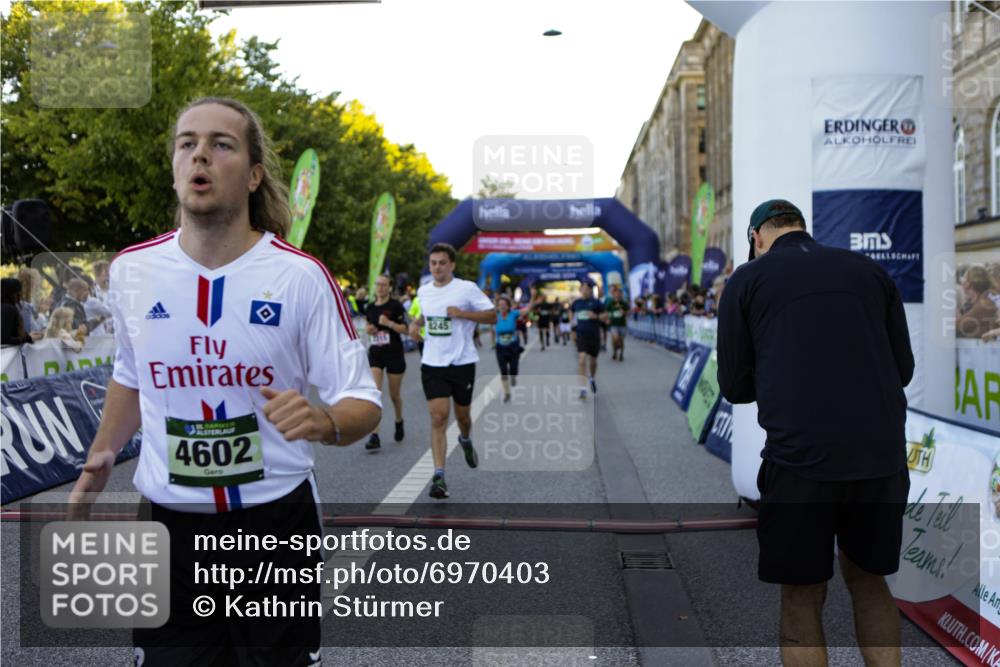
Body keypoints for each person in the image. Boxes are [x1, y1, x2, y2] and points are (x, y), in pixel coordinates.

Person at [67, 97, 381, 666]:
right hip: (168, 526)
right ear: (174, 165)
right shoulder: (132, 271)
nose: (199, 155)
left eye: (221, 143)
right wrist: (102, 454)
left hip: (274, 523)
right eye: (187, 143)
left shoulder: (302, 277)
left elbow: (363, 400)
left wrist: (327, 420)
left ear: (254, 175)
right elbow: (131, 375)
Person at [717, 199, 913, 666]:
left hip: (800, 460)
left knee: (802, 594)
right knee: (869, 581)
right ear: (801, 228)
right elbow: (902, 369)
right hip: (879, 458)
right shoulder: (867, 270)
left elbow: (735, 387)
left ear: (756, 237)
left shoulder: (747, 279)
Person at [409, 242, 496, 499]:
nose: (437, 267)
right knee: (438, 417)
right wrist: (415, 325)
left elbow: (492, 316)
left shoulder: (466, 289)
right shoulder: (423, 292)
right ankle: (439, 476)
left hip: (462, 362)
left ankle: (466, 440)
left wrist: (463, 313)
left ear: (452, 265)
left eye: (442, 263)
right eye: (433, 263)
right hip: (433, 363)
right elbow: (423, 316)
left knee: (463, 417)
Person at [364, 273, 408, 450]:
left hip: (394, 353)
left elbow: (405, 329)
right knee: (375, 392)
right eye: (378, 284)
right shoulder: (370, 307)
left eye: (384, 285)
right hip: (376, 353)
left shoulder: (395, 306)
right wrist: (368, 329)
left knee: (394, 395)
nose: (380, 288)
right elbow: (367, 325)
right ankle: (374, 434)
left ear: (389, 287)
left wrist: (389, 324)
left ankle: (399, 420)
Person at [571, 280, 607, 399]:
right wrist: (573, 330)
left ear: (590, 290)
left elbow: (606, 316)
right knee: (581, 360)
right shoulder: (576, 303)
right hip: (581, 334)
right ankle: (583, 388)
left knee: (593, 361)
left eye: (587, 289)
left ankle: (592, 378)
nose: (585, 291)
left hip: (594, 335)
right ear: (580, 290)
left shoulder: (596, 303)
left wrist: (595, 316)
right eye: (583, 289)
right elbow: (572, 316)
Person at [956, 265, 999, 339]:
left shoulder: (984, 304)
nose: (961, 281)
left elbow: (957, 327)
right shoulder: (973, 302)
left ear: (968, 283)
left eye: (964, 278)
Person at [493, 295, 522, 402]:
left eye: (504, 304)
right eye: (500, 305)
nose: (502, 306)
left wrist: (533, 297)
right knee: (503, 371)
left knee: (513, 369)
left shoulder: (513, 314)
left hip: (513, 346)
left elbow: (527, 310)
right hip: (500, 347)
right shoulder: (495, 315)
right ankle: (507, 393)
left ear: (508, 306)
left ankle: (513, 376)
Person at [1, 278, 42, 345]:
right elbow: (4, 339)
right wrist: (28, 338)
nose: (21, 294)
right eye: (20, 291)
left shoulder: (5, 307)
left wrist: (27, 336)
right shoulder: (8, 309)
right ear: (14, 293)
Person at [605, 284, 629, 362]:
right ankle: (615, 351)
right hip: (613, 324)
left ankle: (621, 353)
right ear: (614, 294)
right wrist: (607, 319)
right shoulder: (611, 303)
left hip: (622, 324)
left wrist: (624, 312)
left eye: (619, 293)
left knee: (621, 340)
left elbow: (629, 311)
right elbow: (606, 311)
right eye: (616, 293)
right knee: (615, 339)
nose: (618, 295)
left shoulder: (623, 303)